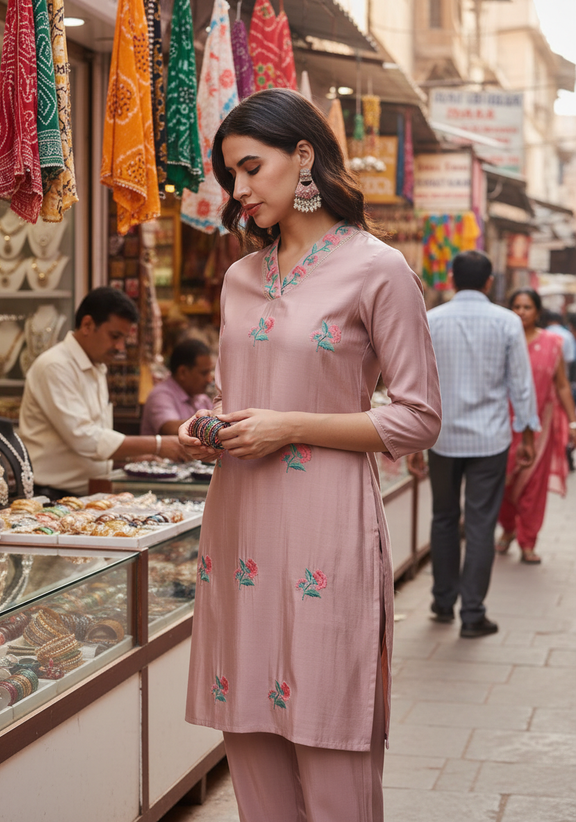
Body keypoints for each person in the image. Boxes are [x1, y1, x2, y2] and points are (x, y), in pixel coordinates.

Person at [177, 88, 442, 822]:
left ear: (302, 156)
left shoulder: (377, 268)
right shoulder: (238, 279)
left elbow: (419, 417)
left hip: (327, 530)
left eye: (251, 168)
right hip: (239, 532)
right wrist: (210, 424)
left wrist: (289, 426)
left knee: (333, 753)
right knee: (252, 750)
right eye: (230, 176)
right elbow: (247, 395)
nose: (239, 191)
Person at [408, 251, 538, 638]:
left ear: (451, 280)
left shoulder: (431, 320)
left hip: (441, 437)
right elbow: (521, 384)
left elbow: (416, 384)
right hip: (490, 439)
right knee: (481, 525)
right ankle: (473, 614)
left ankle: (443, 602)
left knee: (444, 518)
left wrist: (413, 442)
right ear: (488, 282)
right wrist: (528, 434)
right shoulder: (508, 322)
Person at [20, 287, 184, 498]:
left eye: (124, 339)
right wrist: (159, 444)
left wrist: (132, 456)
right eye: (115, 336)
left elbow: (94, 440)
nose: (120, 346)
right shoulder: (55, 366)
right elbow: (84, 438)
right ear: (87, 324)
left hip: (88, 492)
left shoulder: (95, 366)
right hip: (51, 496)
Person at [497, 288, 576, 563]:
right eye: (516, 306)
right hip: (503, 426)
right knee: (503, 485)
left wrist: (574, 421)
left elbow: (563, 385)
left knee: (533, 487)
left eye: (527, 307)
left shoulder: (553, 343)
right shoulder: (502, 339)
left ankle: (528, 541)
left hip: (540, 428)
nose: (521, 312)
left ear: (538, 312)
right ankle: (507, 529)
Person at [140, 339, 213, 438]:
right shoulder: (160, 395)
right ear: (182, 372)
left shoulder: (201, 398)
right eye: (204, 373)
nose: (209, 379)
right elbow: (169, 428)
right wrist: (211, 426)